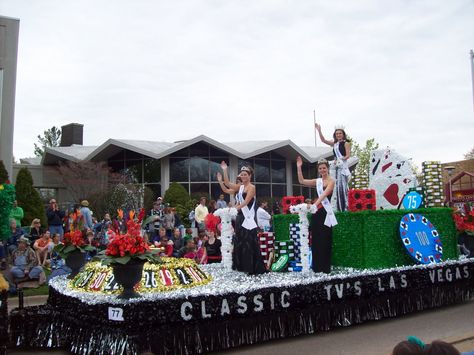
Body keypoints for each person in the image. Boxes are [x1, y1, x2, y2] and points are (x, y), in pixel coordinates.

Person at [220, 161, 266, 275]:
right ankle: (241, 265)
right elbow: (227, 183)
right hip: (240, 217)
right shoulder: (240, 187)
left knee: (249, 241)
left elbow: (246, 202)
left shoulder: (252, 187)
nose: (243, 176)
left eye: (246, 174)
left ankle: (250, 266)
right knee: (240, 240)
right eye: (242, 174)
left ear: (250, 176)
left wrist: (236, 209)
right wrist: (225, 169)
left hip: (248, 218)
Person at [296, 156, 336, 273]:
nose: (322, 170)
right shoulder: (318, 181)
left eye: (324, 168)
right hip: (316, 213)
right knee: (316, 239)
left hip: (325, 213)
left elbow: (324, 194)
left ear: (327, 169)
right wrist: (299, 168)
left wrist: (314, 205)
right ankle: (317, 267)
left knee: (325, 239)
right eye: (320, 169)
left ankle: (325, 267)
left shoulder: (331, 181)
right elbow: (302, 181)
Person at [315, 123, 351, 212]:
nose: (338, 135)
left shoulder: (346, 143)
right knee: (336, 186)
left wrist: (340, 159)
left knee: (342, 186)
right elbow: (323, 140)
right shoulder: (334, 144)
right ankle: (337, 206)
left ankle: (345, 206)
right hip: (336, 167)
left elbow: (348, 155)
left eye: (340, 133)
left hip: (343, 167)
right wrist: (319, 130)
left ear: (343, 134)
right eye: (337, 133)